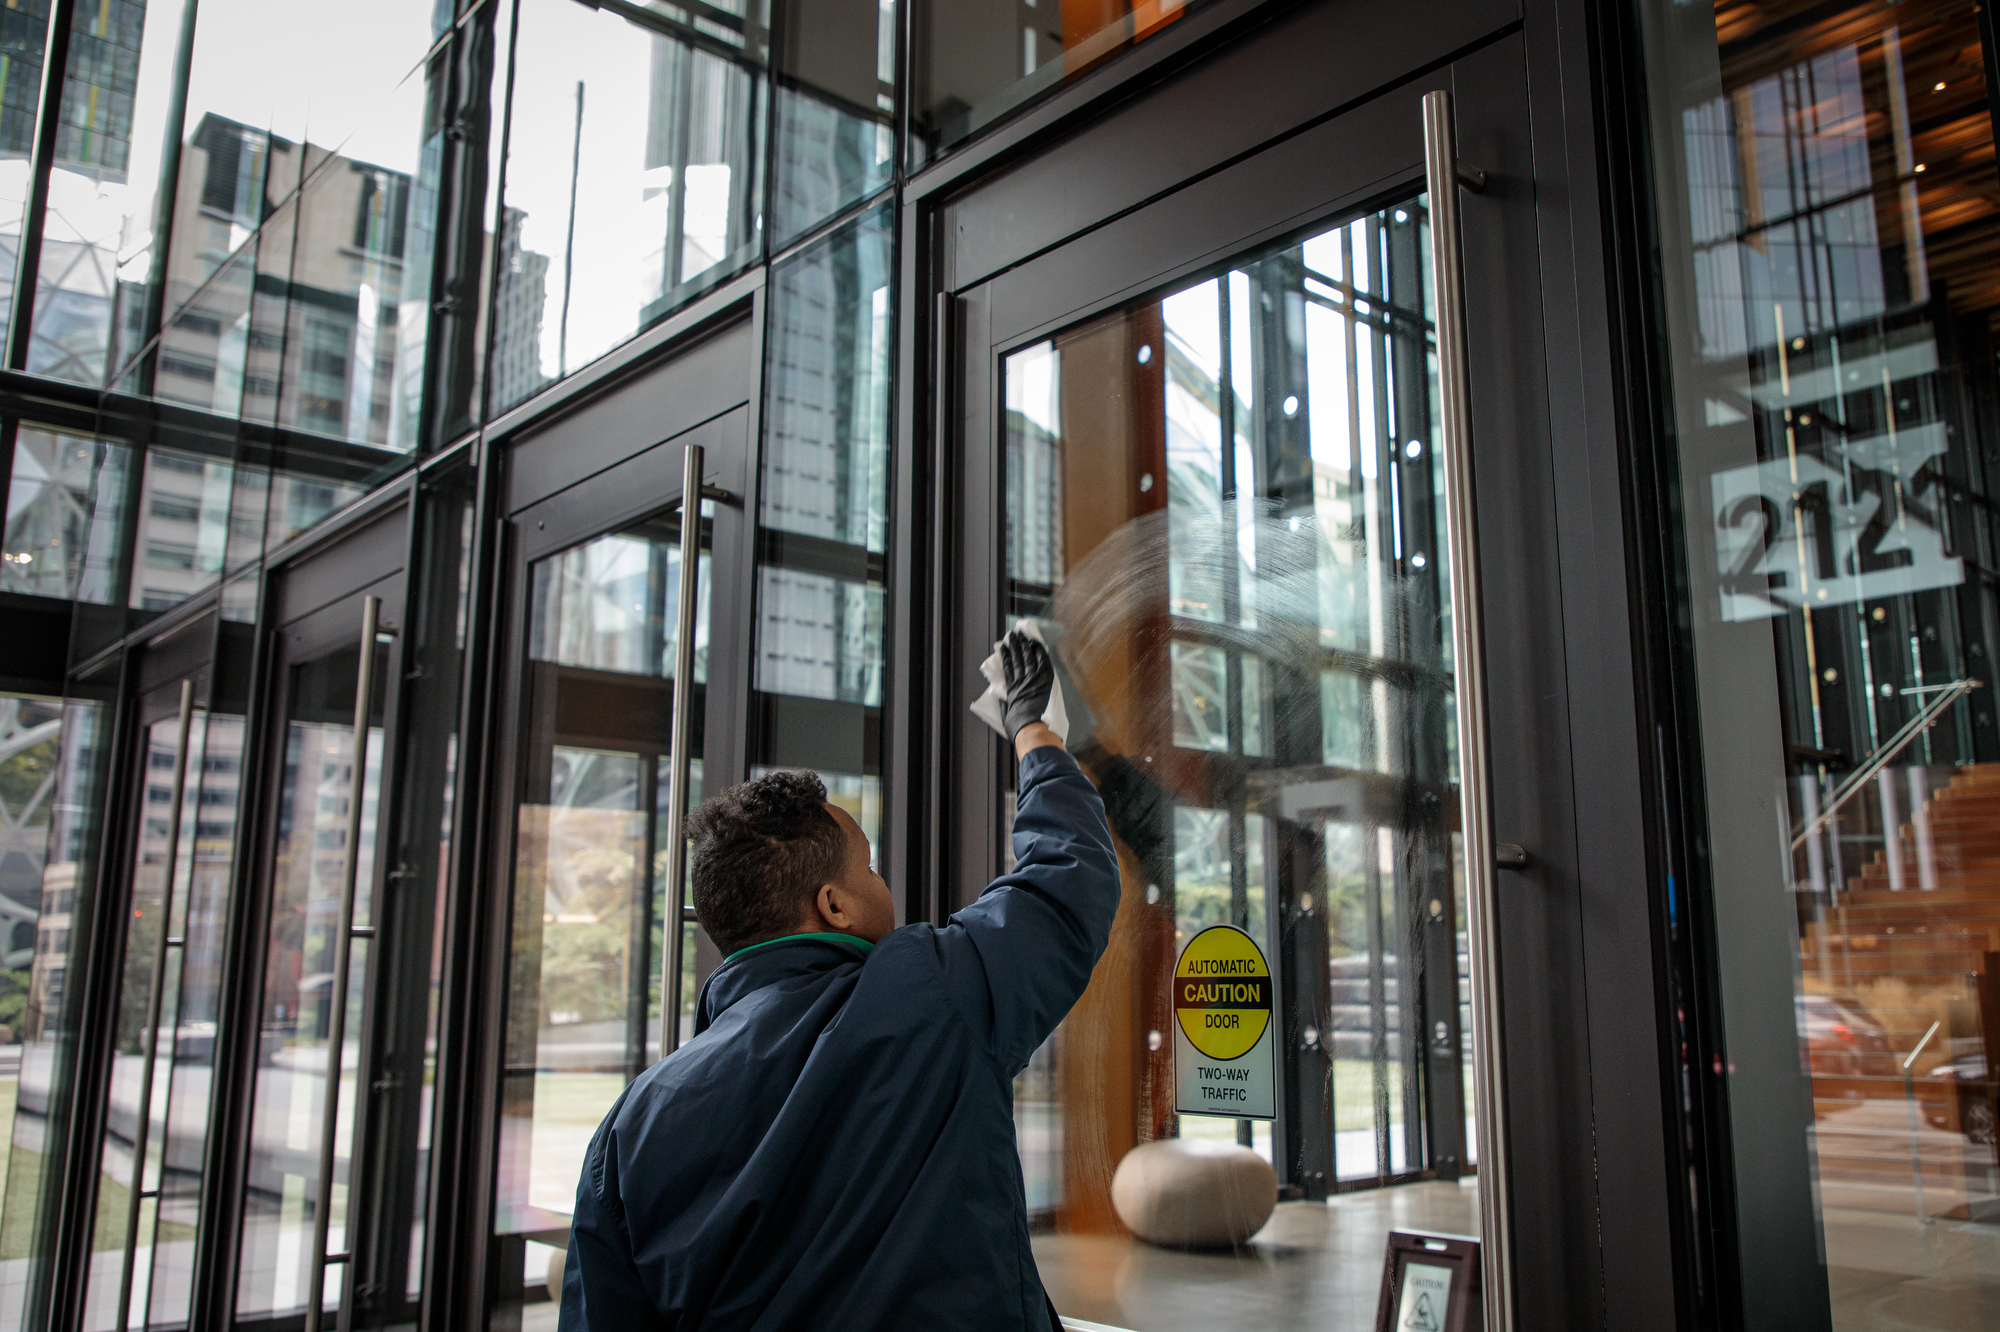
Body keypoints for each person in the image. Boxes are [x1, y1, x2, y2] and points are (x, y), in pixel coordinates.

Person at [559, 627, 1119, 1330]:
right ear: (834, 905)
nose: (885, 885)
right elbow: (1065, 883)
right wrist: (1034, 731)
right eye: (871, 869)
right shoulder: (929, 992)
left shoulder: (632, 1126)